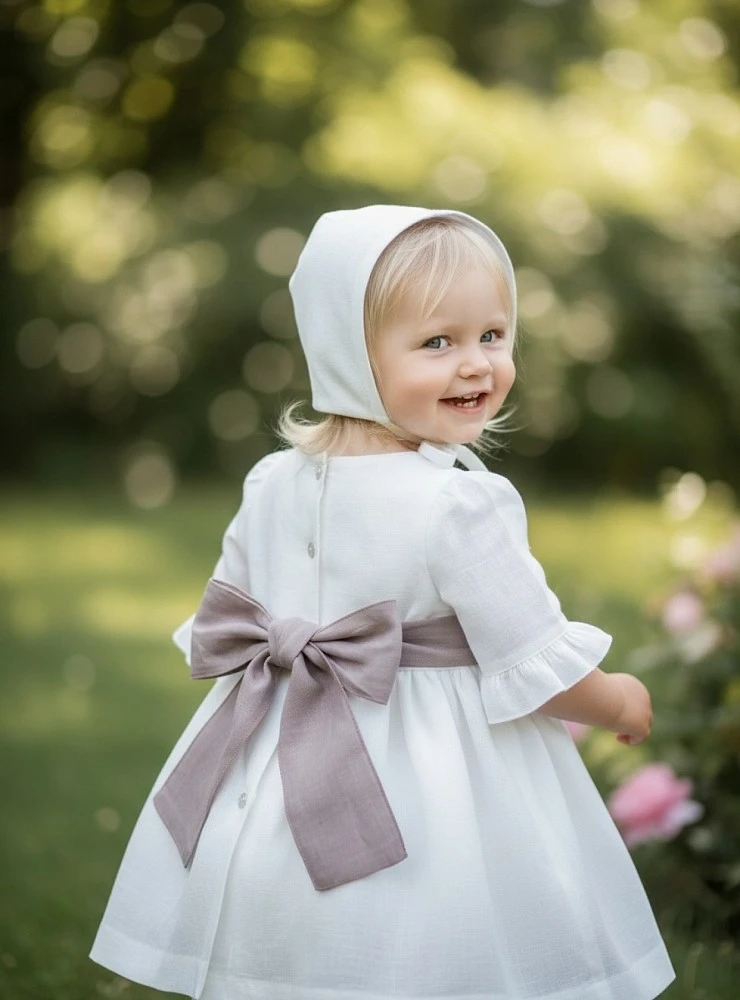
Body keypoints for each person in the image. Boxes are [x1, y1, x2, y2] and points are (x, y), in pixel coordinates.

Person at [89, 205, 676, 1000]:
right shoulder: (459, 503)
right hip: (437, 781)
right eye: (438, 342)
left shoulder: (271, 482)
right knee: (438, 928)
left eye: (492, 336)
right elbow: (532, 653)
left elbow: (224, 621)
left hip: (276, 762)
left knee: (300, 934)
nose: (476, 365)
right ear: (349, 356)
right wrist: (619, 700)